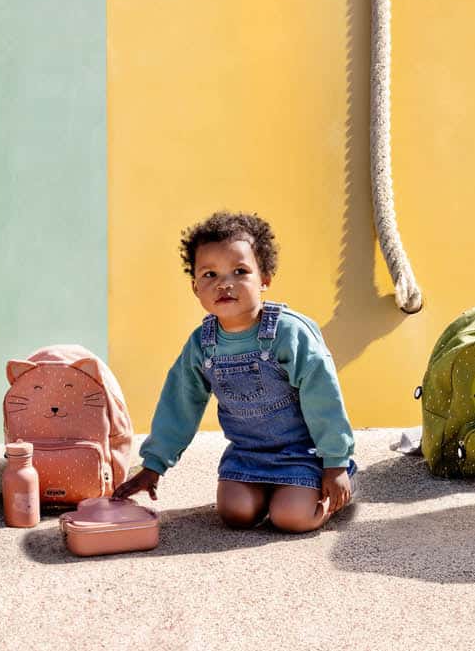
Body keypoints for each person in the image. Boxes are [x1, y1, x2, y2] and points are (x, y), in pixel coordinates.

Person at [114, 211, 355, 532]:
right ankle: (271, 493)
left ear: (264, 278)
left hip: (304, 453)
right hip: (248, 456)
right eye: (210, 274)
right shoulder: (202, 344)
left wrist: (335, 463)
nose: (224, 283)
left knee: (291, 517)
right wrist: (153, 465)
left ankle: (338, 487)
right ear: (195, 287)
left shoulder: (289, 333)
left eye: (240, 271)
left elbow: (324, 398)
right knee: (235, 514)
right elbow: (179, 403)